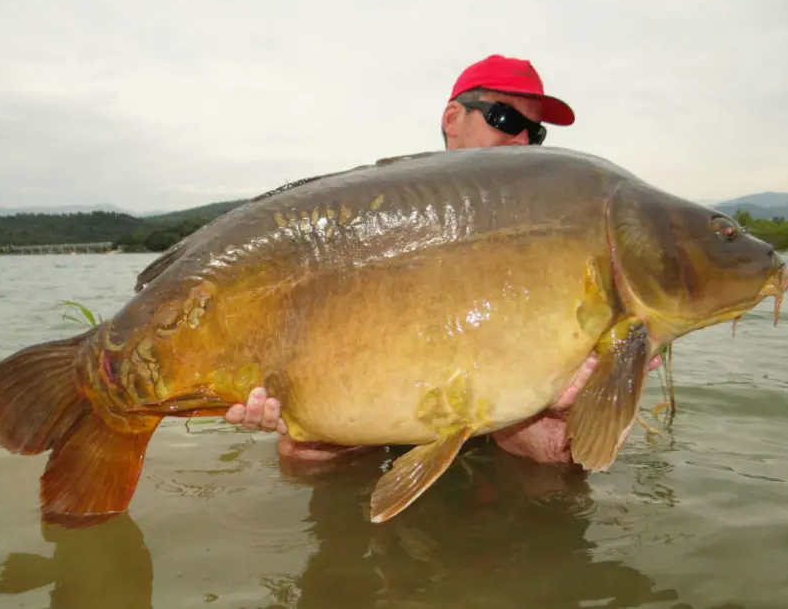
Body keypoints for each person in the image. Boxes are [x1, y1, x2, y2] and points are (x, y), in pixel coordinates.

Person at [224, 54, 662, 465]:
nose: (524, 138)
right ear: (453, 119)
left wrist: (572, 403)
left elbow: (558, 459)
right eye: (505, 119)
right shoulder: (371, 221)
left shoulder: (556, 247)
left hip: (494, 495)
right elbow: (305, 467)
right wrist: (290, 422)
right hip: (376, 460)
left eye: (537, 132)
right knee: (301, 450)